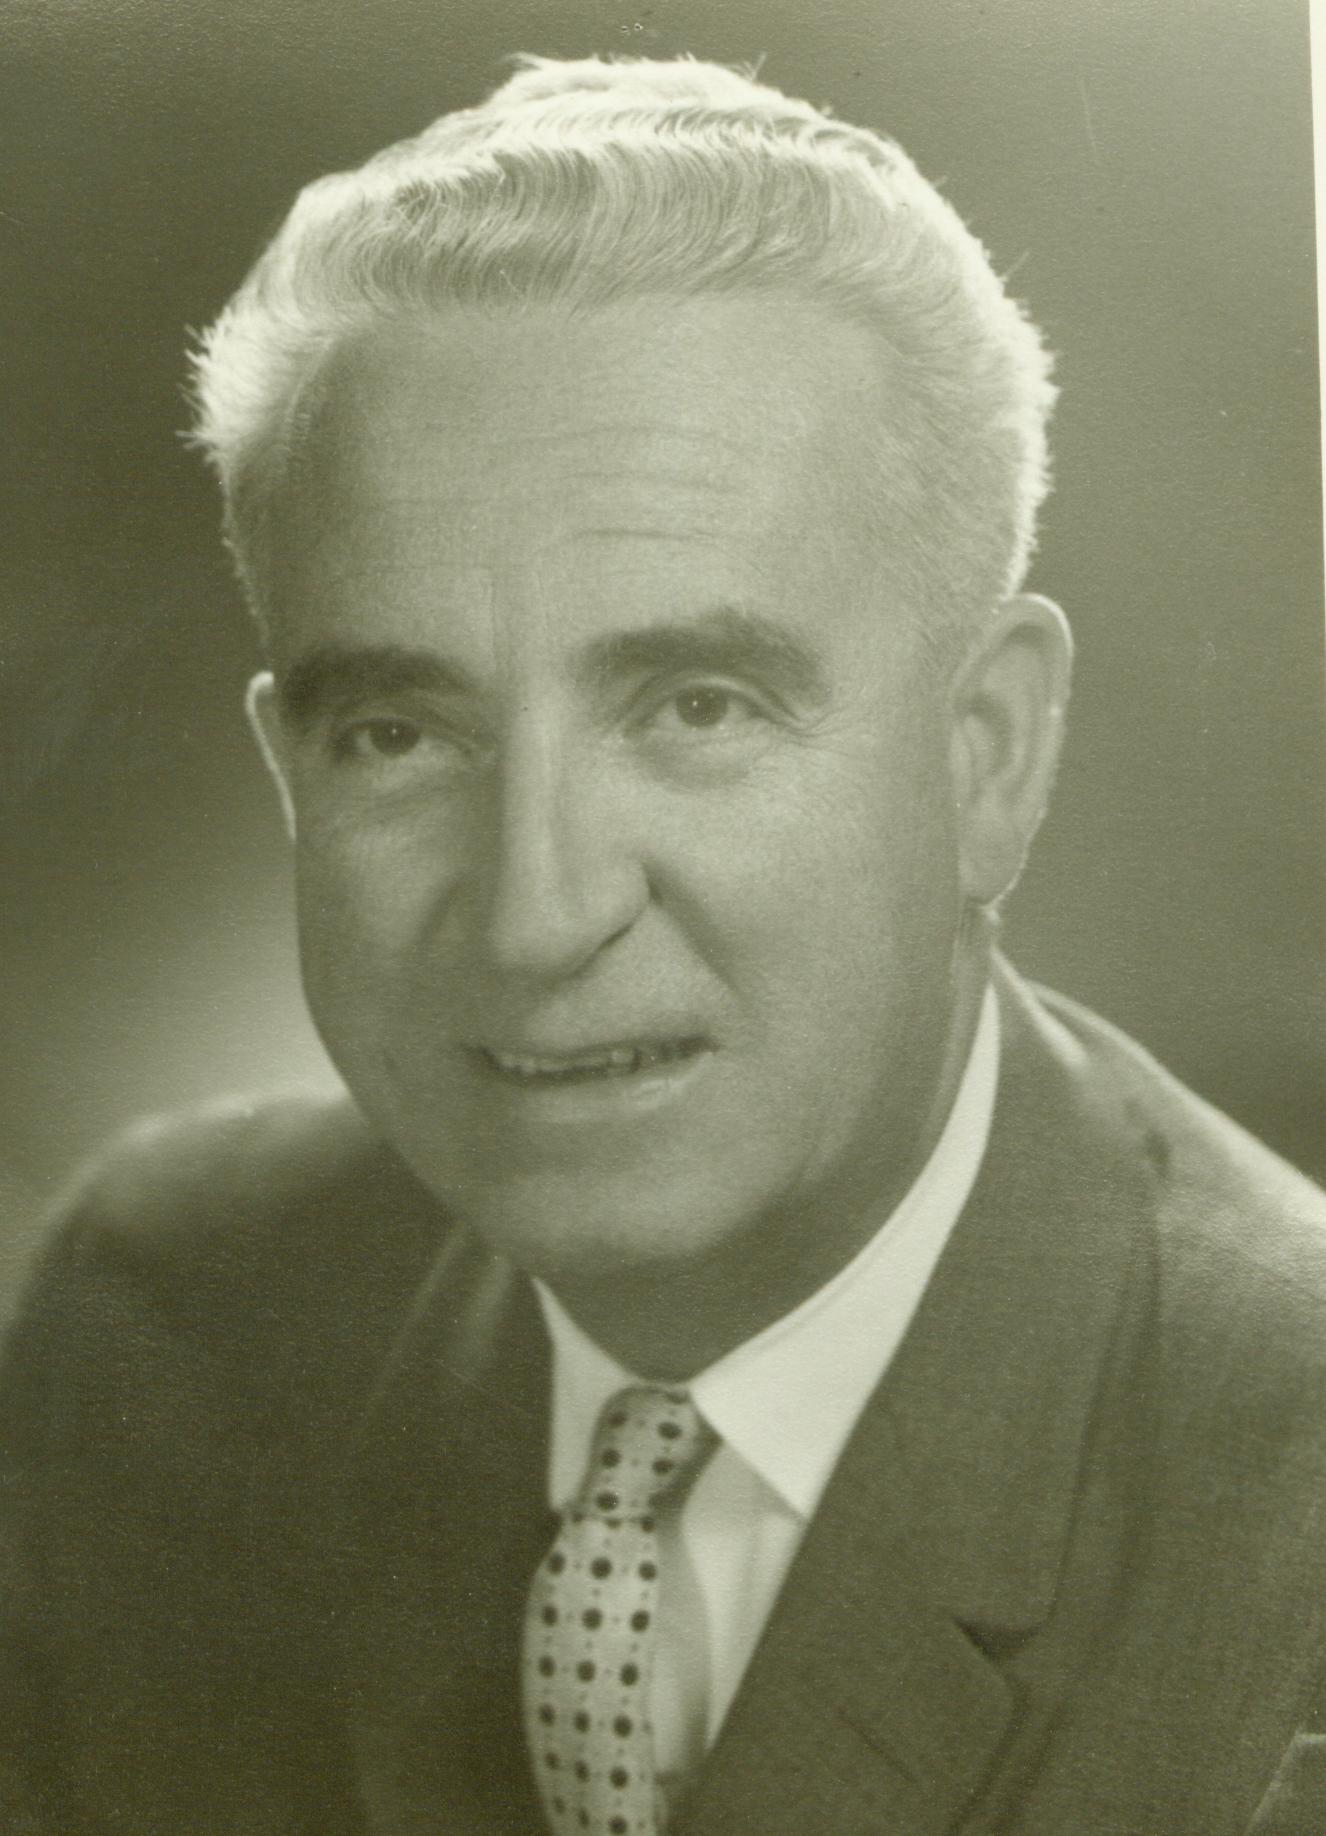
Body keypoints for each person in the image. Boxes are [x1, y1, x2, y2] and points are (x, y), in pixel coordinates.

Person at [2, 52, 1324, 1836]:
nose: (538, 916)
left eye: (696, 705)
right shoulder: (156, 1325)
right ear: (288, 780)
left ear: (987, 756)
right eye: (397, 734)